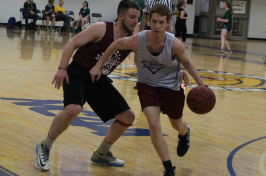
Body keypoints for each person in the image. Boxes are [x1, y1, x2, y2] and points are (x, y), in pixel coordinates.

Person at [90, 4, 205, 176]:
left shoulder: (175, 44)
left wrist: (202, 85)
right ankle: (168, 167)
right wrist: (98, 66)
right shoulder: (138, 40)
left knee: (177, 124)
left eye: (161, 22)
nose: (157, 26)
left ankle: (184, 132)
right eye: (154, 21)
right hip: (147, 86)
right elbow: (114, 45)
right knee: (153, 123)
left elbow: (188, 63)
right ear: (148, 21)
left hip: (172, 88)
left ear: (168, 23)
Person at [35, 0, 140, 171]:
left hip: (98, 80)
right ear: (121, 16)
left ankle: (102, 154)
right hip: (77, 73)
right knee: (73, 109)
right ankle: (45, 146)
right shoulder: (101, 28)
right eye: (132, 17)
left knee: (128, 117)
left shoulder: (133, 39)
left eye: (138, 17)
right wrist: (62, 68)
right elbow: (71, 44)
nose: (135, 21)